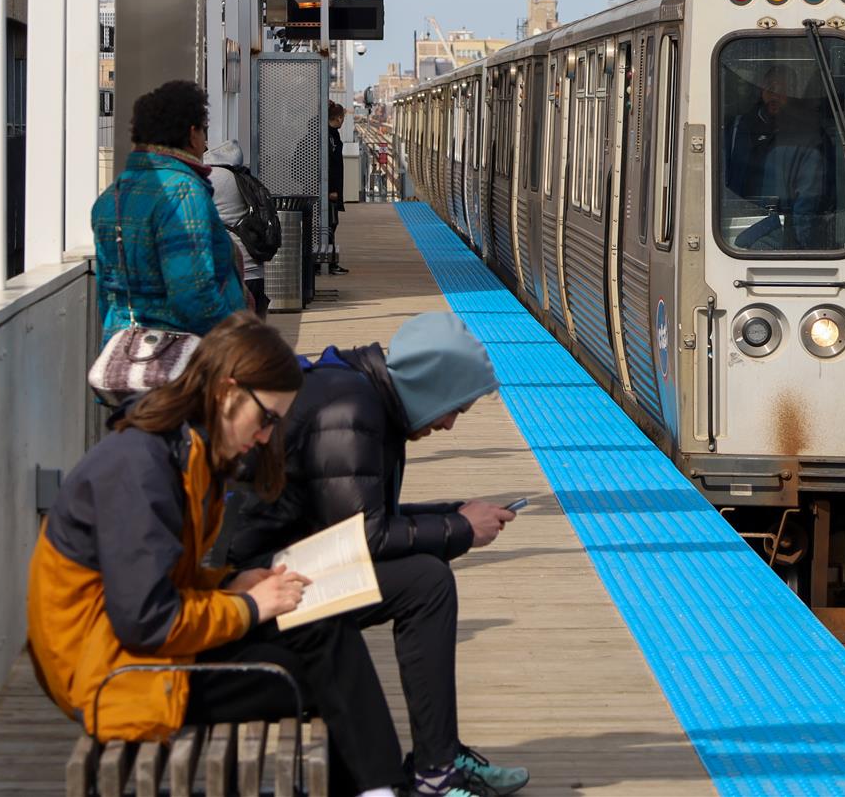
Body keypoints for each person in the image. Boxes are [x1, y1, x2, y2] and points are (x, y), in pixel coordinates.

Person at [26, 313, 445, 797]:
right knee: (312, 670)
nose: (267, 436)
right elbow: (146, 619)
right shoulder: (139, 469)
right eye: (267, 417)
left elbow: (157, 580)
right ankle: (378, 787)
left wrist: (228, 585)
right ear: (227, 391)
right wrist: (250, 607)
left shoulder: (180, 450)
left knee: (318, 624)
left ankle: (378, 788)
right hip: (114, 675)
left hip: (139, 653)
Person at [228, 312, 528, 797]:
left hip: (283, 559)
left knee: (424, 577)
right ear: (430, 386)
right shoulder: (349, 415)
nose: (450, 425)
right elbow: (364, 537)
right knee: (425, 584)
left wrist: (456, 513)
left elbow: (360, 518)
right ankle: (437, 767)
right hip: (258, 582)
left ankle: (440, 761)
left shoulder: (363, 397)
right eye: (453, 408)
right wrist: (459, 528)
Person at [91, 81, 246, 343]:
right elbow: (192, 295)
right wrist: (239, 339)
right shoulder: (183, 193)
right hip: (182, 360)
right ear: (191, 133)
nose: (206, 141)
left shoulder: (111, 197)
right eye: (204, 131)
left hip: (125, 352)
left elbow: (107, 293)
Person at [722, 66, 832, 250]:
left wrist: (802, 246)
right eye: (769, 87)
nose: (774, 94)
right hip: (730, 226)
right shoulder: (736, 130)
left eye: (782, 89)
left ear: (794, 93)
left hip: (784, 231)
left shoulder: (810, 137)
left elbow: (808, 200)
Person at [204, 141, 268, 318]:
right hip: (254, 268)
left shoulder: (210, 178)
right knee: (255, 336)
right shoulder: (241, 177)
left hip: (231, 272)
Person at [327, 101, 349, 275]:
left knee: (330, 225)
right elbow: (329, 166)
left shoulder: (330, 135)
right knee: (330, 225)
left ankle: (326, 262)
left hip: (330, 190)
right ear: (339, 118)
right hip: (330, 192)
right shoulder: (329, 137)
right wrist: (331, 190)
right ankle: (331, 263)